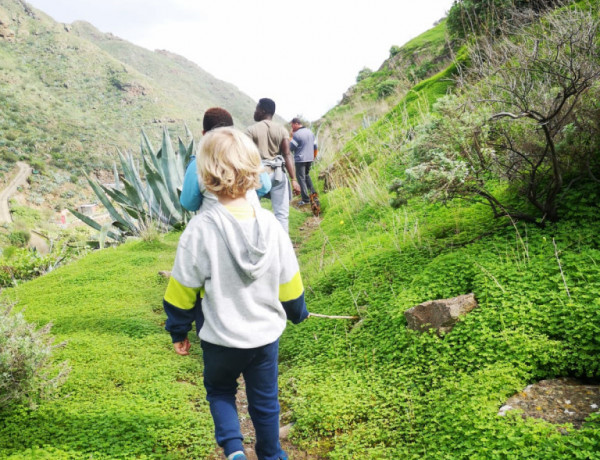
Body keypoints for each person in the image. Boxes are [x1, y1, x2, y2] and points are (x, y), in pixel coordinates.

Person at [163, 127, 309, 460]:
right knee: (265, 399)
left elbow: (182, 288)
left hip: (220, 337)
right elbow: (290, 281)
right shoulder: (271, 224)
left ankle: (233, 450)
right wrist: (298, 311)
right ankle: (271, 454)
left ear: (204, 174)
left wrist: (178, 329)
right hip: (264, 338)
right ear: (254, 170)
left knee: (220, 391)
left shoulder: (199, 229)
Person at [180, 107, 271, 212]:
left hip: (212, 225)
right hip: (252, 221)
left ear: (204, 134)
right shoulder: (250, 156)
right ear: (233, 131)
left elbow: (189, 204)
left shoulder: (197, 164)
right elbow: (265, 186)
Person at [246, 98, 300, 233]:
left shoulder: (251, 130)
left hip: (258, 176)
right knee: (282, 215)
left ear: (263, 111)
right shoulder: (281, 130)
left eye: (256, 109)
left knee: (252, 213)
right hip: (278, 174)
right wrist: (293, 180)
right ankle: (284, 249)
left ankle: (258, 245)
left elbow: (244, 155)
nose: (255, 111)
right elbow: (287, 154)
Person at [289, 117, 318, 206]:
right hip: (310, 158)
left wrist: (291, 136)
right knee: (306, 175)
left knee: (301, 178)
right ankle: (313, 194)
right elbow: (315, 146)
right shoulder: (310, 132)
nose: (292, 127)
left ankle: (305, 199)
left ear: (296, 124)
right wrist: (313, 156)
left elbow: (290, 148)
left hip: (300, 159)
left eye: (292, 125)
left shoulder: (297, 135)